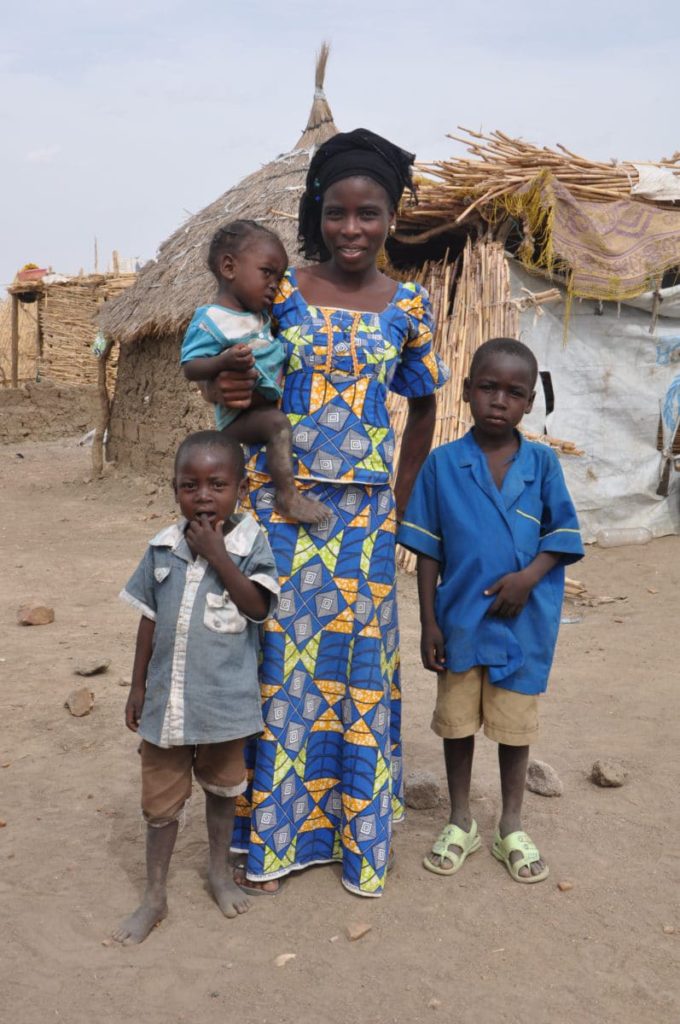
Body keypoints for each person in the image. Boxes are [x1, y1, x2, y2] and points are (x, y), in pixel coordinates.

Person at [206, 129, 449, 897]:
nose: (353, 229)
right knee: (282, 672)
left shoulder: (409, 304)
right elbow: (230, 375)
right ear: (320, 211)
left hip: (366, 524)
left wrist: (402, 498)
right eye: (338, 212)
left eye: (369, 214)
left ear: (390, 216)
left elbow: (425, 405)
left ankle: (355, 843)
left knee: (358, 676)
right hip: (282, 508)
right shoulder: (281, 291)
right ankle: (272, 842)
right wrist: (229, 397)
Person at [397, 338, 584, 883]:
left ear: (529, 403)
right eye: (488, 388)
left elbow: (563, 534)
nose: (499, 401)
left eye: (514, 393)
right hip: (459, 621)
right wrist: (430, 620)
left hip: (523, 624)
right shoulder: (442, 464)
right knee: (456, 723)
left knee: (515, 727)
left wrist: (529, 577)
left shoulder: (543, 464)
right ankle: (460, 820)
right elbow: (428, 549)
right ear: (467, 391)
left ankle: (510, 824)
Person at [113, 431, 280, 943]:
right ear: (175, 489)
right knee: (160, 803)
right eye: (190, 485)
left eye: (217, 485)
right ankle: (154, 895)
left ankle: (215, 872)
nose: (204, 496)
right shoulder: (162, 548)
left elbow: (257, 608)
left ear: (240, 488)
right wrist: (137, 686)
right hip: (168, 703)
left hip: (225, 705)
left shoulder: (251, 545)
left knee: (223, 788)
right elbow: (147, 620)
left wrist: (218, 555)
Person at [181, 219, 328, 524]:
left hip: (259, 404)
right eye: (267, 273)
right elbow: (191, 366)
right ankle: (287, 496)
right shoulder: (211, 319)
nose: (274, 284)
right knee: (276, 425)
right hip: (237, 418)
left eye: (278, 276)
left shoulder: (261, 316)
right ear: (229, 267)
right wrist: (222, 363)